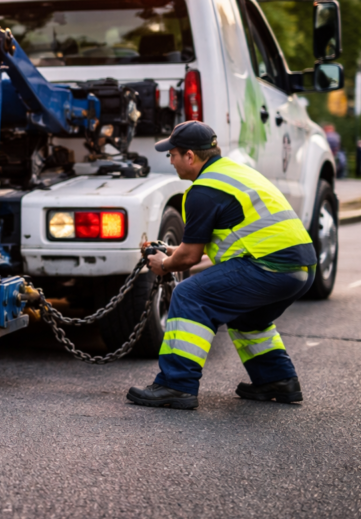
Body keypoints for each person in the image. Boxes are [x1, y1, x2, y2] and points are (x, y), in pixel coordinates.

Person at [127, 121, 317, 409]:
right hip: (301, 268)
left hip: (270, 267)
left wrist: (164, 264)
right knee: (247, 317)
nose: (170, 159)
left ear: (190, 156)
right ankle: (277, 381)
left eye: (173, 154)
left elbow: (189, 258)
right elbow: (201, 248)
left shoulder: (203, 190)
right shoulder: (232, 173)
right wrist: (168, 251)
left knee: (189, 295)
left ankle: (175, 386)